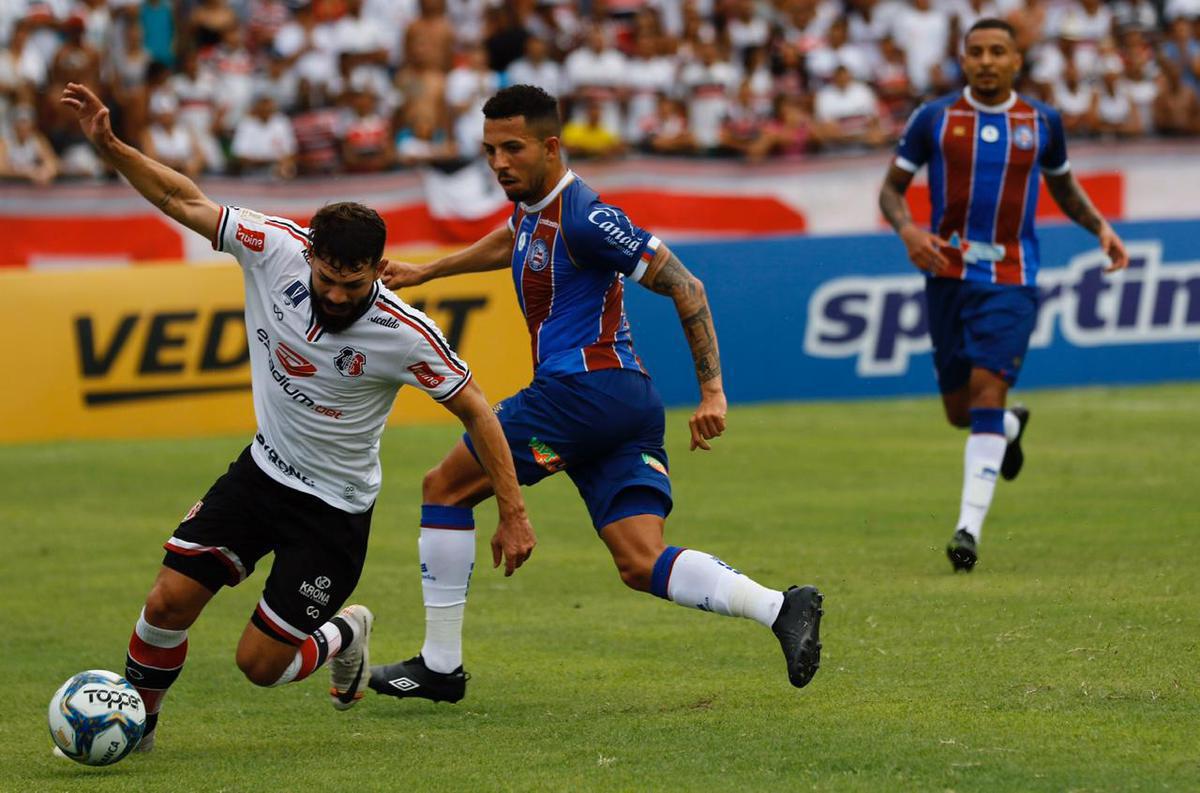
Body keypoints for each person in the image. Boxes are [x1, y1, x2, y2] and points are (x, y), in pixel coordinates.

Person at [57, 81, 532, 752]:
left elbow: (478, 409)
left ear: (378, 269)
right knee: (167, 600)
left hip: (333, 512)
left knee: (259, 666)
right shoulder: (270, 245)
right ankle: (139, 727)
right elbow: (179, 196)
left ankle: (344, 633)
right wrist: (110, 145)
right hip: (260, 474)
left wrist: (512, 510)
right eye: (328, 278)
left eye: (354, 283)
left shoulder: (404, 332)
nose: (338, 295)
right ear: (309, 254)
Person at [368, 84, 823, 704]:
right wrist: (428, 270)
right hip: (621, 404)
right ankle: (779, 607)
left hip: (580, 392)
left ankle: (440, 665)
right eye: (489, 150)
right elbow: (513, 239)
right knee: (640, 560)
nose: (498, 163)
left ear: (551, 147)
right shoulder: (534, 208)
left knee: (442, 487)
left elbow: (686, 286)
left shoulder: (587, 216)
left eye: (512, 149)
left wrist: (712, 392)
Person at [877, 18, 1128, 573]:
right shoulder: (935, 118)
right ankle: (1010, 428)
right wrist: (910, 232)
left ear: (1017, 61)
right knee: (960, 411)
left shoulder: (1042, 122)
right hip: (947, 274)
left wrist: (1100, 229)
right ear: (963, 60)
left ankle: (967, 529)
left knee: (988, 391)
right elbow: (892, 191)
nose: (986, 61)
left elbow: (1061, 184)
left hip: (1013, 278)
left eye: (997, 52)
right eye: (976, 52)